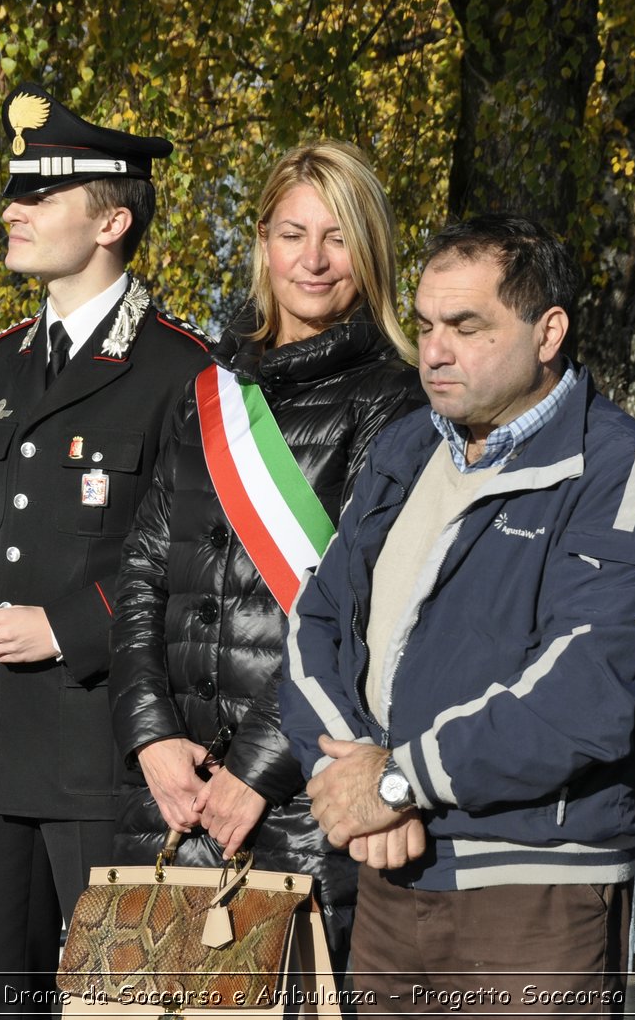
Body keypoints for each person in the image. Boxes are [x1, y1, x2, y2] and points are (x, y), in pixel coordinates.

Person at [280, 214, 635, 1014]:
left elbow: (586, 693)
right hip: (388, 874)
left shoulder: (624, 472)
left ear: (549, 333)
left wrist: (399, 781)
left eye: (467, 326)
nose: (434, 350)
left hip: (532, 892)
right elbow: (316, 622)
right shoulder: (406, 449)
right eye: (426, 325)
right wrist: (349, 775)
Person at [0, 83, 211, 1010]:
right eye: (15, 193)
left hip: (103, 747)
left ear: (111, 220)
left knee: (115, 999)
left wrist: (65, 628)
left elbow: (196, 561)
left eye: (39, 197)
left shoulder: (185, 369)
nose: (12, 211)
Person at [108, 140, 422, 966]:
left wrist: (254, 770)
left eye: (337, 237)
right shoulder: (206, 392)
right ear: (263, 242)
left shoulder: (396, 400)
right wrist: (151, 738)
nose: (312, 260)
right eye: (292, 233)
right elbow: (141, 573)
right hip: (169, 790)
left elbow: (361, 612)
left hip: (296, 799)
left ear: (372, 251)